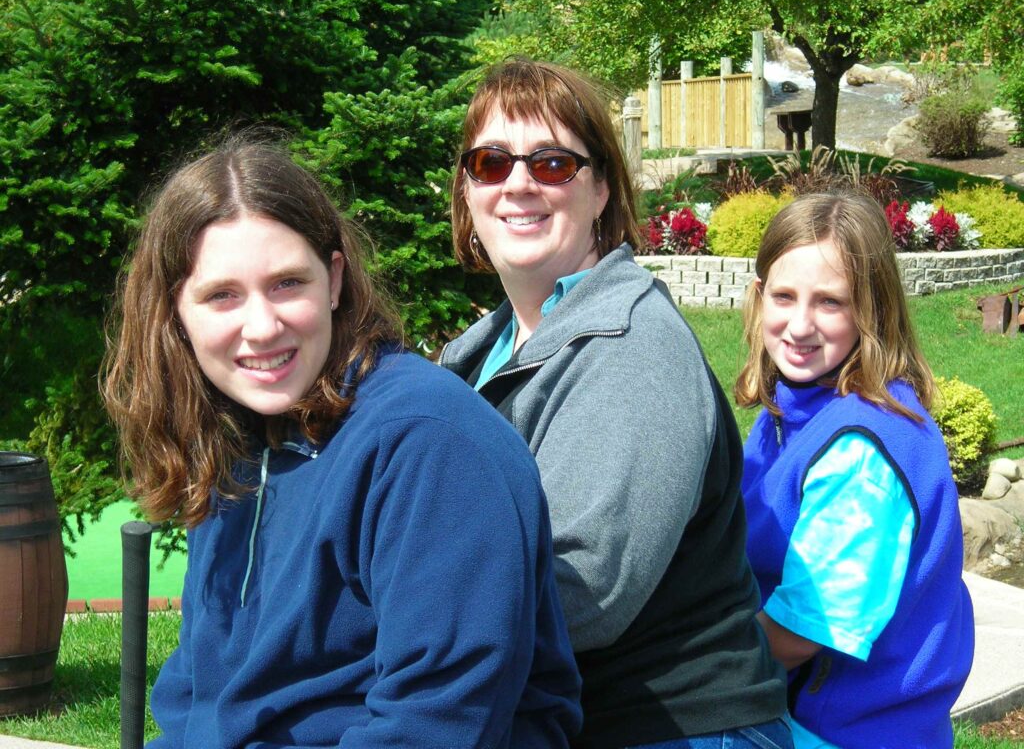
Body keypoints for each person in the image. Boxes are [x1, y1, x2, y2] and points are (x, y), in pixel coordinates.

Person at [102, 136, 583, 748]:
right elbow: (203, 696)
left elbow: (438, 723)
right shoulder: (237, 430)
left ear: (332, 281)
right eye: (222, 295)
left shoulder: (427, 447)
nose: (261, 326)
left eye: (286, 284)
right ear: (176, 312)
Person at [440, 57, 791, 749]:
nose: (518, 184)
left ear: (600, 188)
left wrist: (387, 626)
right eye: (491, 163)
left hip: (676, 728)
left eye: (551, 165)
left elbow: (586, 592)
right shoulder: (476, 353)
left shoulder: (632, 345)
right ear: (468, 191)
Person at [735, 192, 974, 749]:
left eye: (830, 303)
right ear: (757, 297)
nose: (799, 325)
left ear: (873, 309)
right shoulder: (793, 407)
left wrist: (689, 669)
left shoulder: (864, 453)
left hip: (839, 730)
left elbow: (801, 631)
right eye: (784, 296)